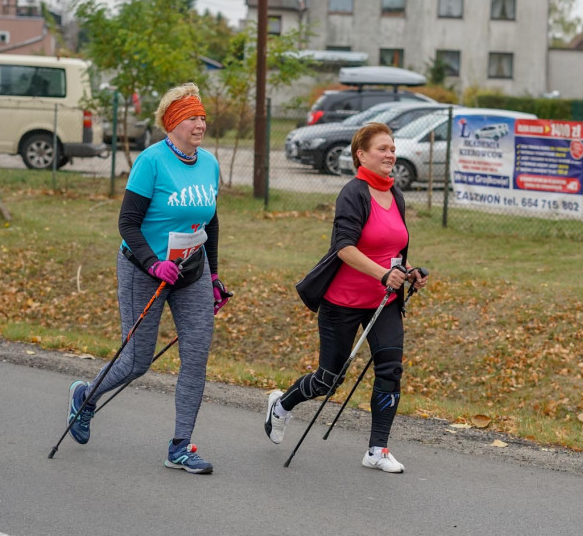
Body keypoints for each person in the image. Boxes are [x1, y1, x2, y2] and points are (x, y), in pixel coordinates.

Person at [66, 83, 230, 475]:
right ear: (173, 122)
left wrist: (214, 276)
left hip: (192, 269)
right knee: (137, 362)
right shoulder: (151, 162)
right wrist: (154, 262)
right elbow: (128, 223)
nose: (200, 123)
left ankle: (180, 446)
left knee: (196, 356)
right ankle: (85, 397)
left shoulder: (209, 164)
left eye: (203, 116)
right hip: (145, 270)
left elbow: (212, 220)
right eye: (192, 117)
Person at [264, 122, 429, 473]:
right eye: (382, 148)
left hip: (382, 302)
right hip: (342, 301)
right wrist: (384, 274)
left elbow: (392, 249)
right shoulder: (353, 193)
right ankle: (281, 405)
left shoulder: (395, 195)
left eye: (392, 147)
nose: (390, 154)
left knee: (391, 369)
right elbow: (344, 249)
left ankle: (377, 450)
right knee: (329, 379)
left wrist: (409, 271)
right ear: (361, 155)